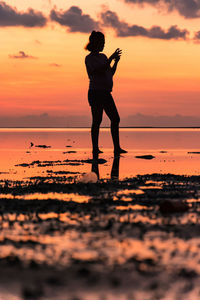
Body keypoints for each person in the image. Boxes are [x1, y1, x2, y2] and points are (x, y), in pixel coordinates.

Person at [85, 31, 127, 156]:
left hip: (106, 93)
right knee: (97, 121)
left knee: (115, 118)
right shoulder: (89, 58)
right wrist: (110, 58)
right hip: (95, 92)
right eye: (102, 43)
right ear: (95, 43)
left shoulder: (103, 57)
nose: (103, 45)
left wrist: (116, 62)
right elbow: (98, 71)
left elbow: (109, 73)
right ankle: (95, 148)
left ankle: (117, 148)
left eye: (104, 43)